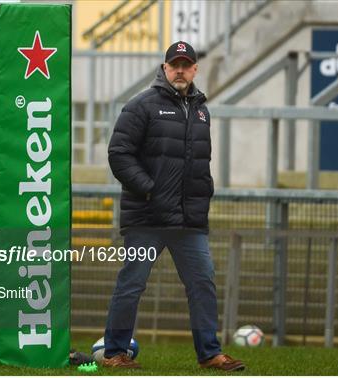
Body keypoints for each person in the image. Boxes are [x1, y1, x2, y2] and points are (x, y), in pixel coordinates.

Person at [102, 41, 244, 372]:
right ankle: (114, 353)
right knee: (132, 285)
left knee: (203, 283)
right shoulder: (141, 106)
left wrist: (204, 190)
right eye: (174, 64)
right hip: (147, 218)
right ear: (164, 68)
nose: (180, 70)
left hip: (188, 221)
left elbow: (199, 162)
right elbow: (118, 154)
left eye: (186, 64)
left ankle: (210, 353)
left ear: (195, 68)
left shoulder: (201, 110)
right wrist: (150, 191)